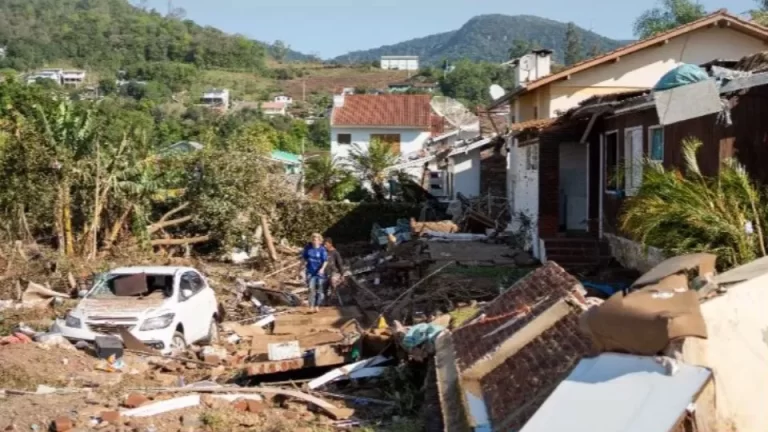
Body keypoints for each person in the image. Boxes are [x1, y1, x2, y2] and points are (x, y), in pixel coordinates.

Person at [301, 233, 328, 312]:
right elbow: (303, 259)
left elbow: (325, 261)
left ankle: (317, 305)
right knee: (311, 288)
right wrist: (299, 269)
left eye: (316, 240)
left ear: (319, 241)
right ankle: (311, 306)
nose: (314, 241)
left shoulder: (322, 249)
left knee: (319, 289)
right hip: (310, 272)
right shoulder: (308, 248)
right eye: (313, 239)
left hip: (319, 273)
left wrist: (322, 269)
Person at [323, 238, 344, 304]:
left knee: (333, 287)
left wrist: (342, 274)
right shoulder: (324, 252)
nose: (325, 246)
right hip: (325, 273)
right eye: (324, 245)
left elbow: (340, 264)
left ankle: (332, 301)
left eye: (326, 244)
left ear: (330, 244)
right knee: (324, 288)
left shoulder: (335, 253)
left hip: (333, 273)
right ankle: (326, 302)